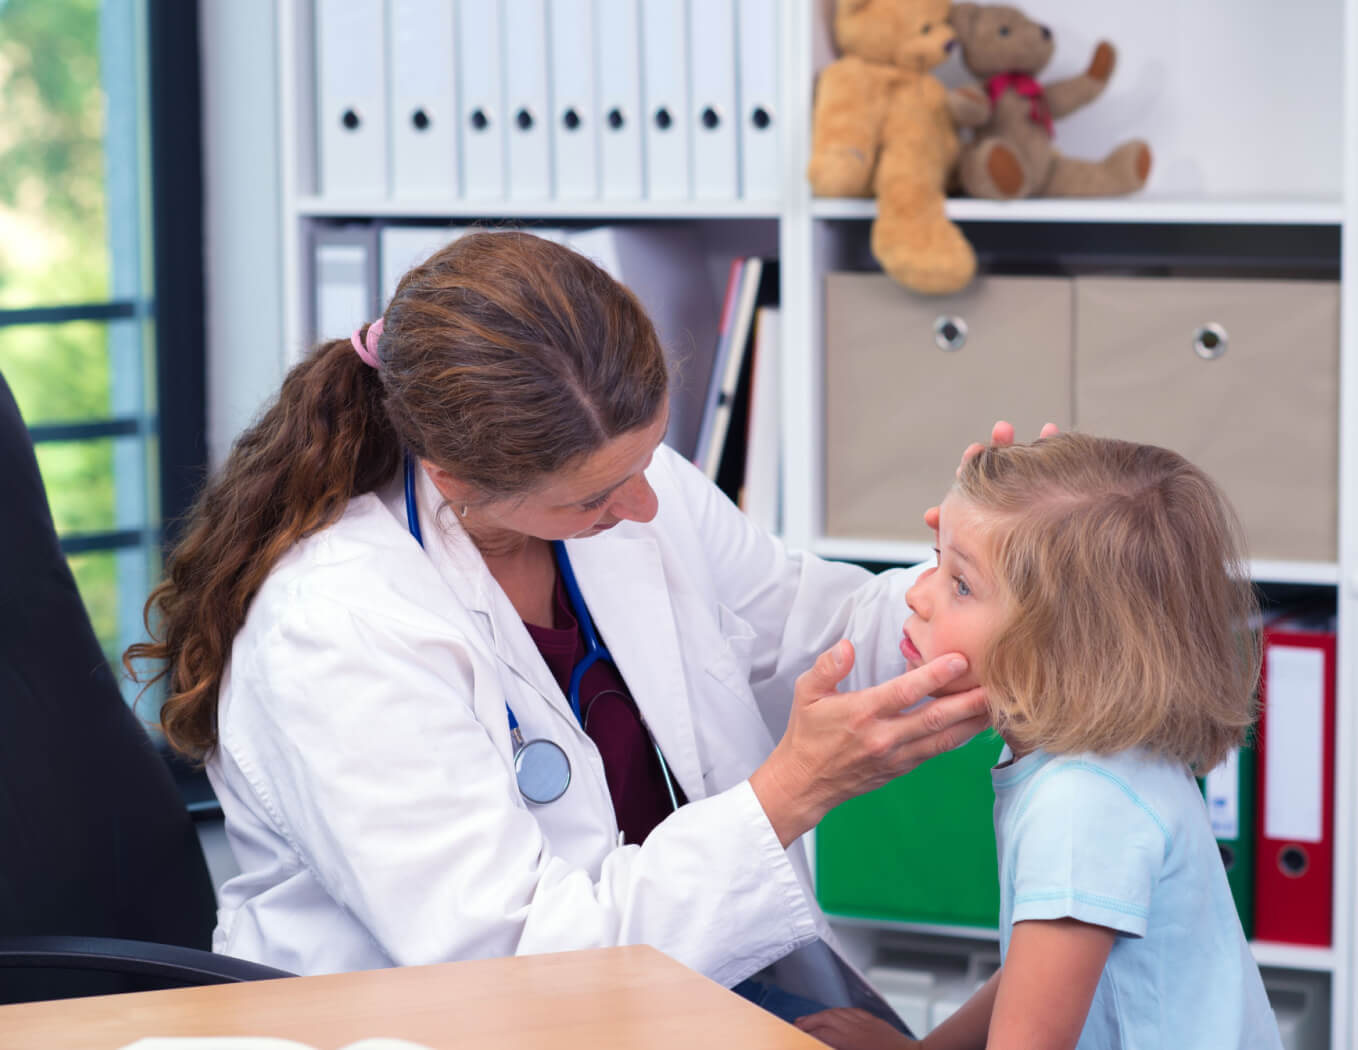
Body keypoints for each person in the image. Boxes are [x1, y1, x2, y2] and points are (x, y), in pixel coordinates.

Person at [123, 230, 992, 1022]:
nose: (645, 503)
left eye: (650, 459)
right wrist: (793, 790)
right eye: (595, 497)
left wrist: (1006, 570)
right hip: (444, 1025)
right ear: (456, 480)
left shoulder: (617, 476)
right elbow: (519, 968)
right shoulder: (337, 627)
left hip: (689, 984)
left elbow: (824, 627)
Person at [795, 432, 1282, 1049]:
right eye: (935, 558)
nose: (917, 593)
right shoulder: (1084, 760)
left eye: (961, 583)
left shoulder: (1080, 804)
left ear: (1062, 645)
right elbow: (1040, 970)